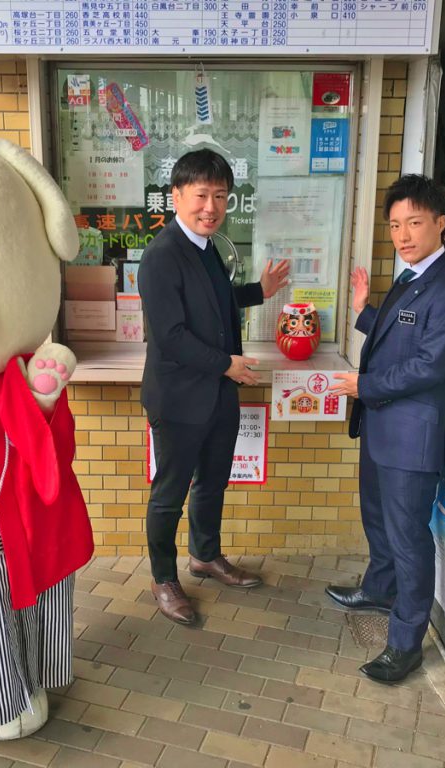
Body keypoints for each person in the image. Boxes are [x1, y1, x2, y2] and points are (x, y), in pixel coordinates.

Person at [326, 175, 445, 684]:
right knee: (377, 516)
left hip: (412, 436)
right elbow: (402, 336)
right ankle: (379, 587)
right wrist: (365, 311)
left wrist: (363, 384)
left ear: (442, 223)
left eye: (414, 222)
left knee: (409, 537)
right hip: (382, 427)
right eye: (395, 225)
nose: (403, 234)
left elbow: (429, 366)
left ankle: (405, 642)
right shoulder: (411, 277)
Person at [138, 149, 290, 625]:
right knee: (169, 493)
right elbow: (172, 336)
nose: (211, 206)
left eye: (220, 196)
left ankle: (205, 556)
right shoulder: (162, 256)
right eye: (201, 195)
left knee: (213, 483)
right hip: (180, 398)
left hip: (219, 394)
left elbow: (216, 303)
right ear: (177, 196)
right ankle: (164, 578)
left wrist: (257, 293)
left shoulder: (208, 249)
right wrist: (227, 364)